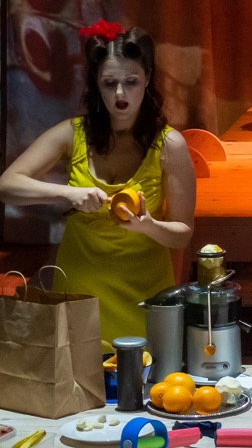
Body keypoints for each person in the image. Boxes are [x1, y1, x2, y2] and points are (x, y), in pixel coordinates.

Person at [0, 21, 196, 345]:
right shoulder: (73, 134)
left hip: (144, 293)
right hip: (81, 289)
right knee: (77, 372)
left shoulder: (169, 145)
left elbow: (183, 234)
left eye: (131, 82)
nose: (120, 94)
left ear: (147, 78)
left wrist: (148, 225)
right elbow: (7, 185)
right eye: (109, 83)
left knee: (146, 371)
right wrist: (67, 193)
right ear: (96, 84)